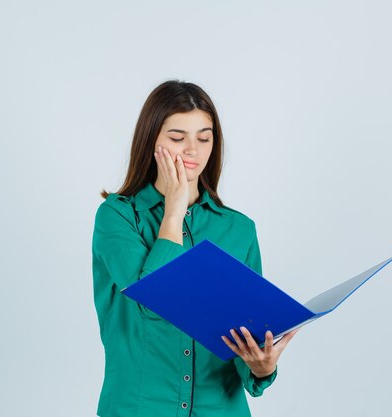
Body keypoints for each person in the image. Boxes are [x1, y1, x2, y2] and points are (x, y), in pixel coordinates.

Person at [92, 80, 297, 417]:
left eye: (204, 137)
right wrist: (173, 209)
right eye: (177, 138)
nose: (193, 150)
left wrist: (261, 368)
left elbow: (245, 339)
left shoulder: (239, 230)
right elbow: (156, 303)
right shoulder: (117, 218)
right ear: (151, 141)